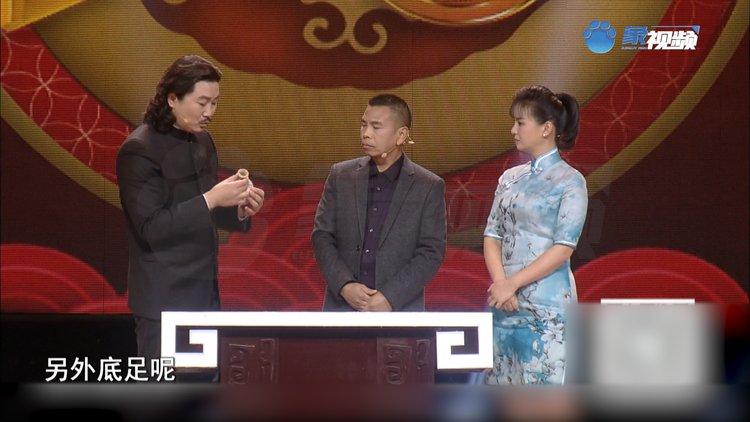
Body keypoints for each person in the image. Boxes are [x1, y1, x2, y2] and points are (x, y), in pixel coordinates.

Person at [116, 55, 265, 370]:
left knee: (204, 389)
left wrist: (238, 209)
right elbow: (152, 228)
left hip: (204, 295)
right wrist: (212, 198)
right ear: (172, 98)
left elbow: (204, 210)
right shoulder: (139, 150)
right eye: (202, 103)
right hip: (163, 302)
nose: (210, 112)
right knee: (163, 392)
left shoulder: (202, 140)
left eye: (215, 103)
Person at [483, 85, 587, 384]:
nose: (513, 130)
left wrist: (512, 283)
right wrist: (501, 284)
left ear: (546, 128)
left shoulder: (571, 181)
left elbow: (563, 247)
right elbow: (492, 235)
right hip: (504, 303)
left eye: (520, 122)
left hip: (546, 305)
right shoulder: (509, 178)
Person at [312, 94, 446, 311]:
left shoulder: (428, 186)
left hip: (399, 311)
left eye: (376, 127)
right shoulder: (341, 176)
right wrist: (345, 285)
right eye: (363, 125)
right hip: (342, 307)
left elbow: (431, 252)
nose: (366, 133)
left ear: (401, 135)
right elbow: (322, 236)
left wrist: (390, 297)